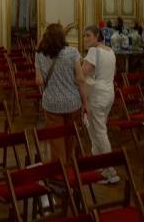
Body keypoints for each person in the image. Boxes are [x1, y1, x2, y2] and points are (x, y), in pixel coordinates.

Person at [35, 23, 88, 163]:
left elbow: (39, 81)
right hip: (72, 101)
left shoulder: (40, 54)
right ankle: (71, 169)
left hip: (52, 103)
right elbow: (81, 79)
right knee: (71, 137)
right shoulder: (72, 52)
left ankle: (60, 174)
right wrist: (85, 103)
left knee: (56, 140)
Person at [82, 25, 119, 184]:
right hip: (109, 93)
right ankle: (99, 166)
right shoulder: (110, 51)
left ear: (97, 36)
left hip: (97, 95)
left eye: (88, 35)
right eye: (84, 36)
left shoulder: (94, 51)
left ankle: (110, 171)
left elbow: (83, 72)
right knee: (96, 130)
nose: (85, 39)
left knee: (99, 131)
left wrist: (76, 65)